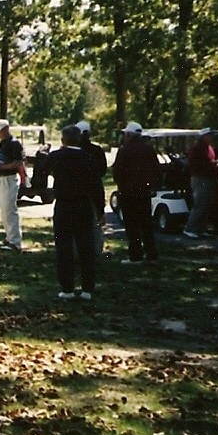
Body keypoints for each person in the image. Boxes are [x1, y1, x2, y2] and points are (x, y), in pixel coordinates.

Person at [48, 124, 100, 300]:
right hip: (84, 206)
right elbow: (97, 186)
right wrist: (99, 210)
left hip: (63, 205)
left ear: (63, 140)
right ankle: (87, 288)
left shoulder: (56, 156)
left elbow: (41, 172)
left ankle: (67, 288)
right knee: (86, 247)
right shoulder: (89, 158)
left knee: (64, 248)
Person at [111, 122, 161, 264]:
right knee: (146, 224)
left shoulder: (124, 150)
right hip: (144, 192)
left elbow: (118, 172)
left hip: (128, 192)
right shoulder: (149, 149)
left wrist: (121, 185)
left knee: (132, 225)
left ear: (129, 135)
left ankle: (136, 255)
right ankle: (152, 254)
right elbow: (156, 170)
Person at [0, 119, 24, 251]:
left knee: (10, 211)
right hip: (2, 178)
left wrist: (0, 167)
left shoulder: (14, 143)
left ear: (5, 129)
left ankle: (15, 242)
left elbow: (18, 163)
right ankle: (9, 238)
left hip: (10, 179)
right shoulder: (3, 143)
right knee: (4, 211)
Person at [76, 120, 109, 256]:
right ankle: (96, 251)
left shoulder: (74, 151)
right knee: (95, 223)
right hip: (94, 190)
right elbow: (103, 170)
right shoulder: (97, 150)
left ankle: (77, 252)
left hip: (78, 191)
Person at [182, 127, 218, 238]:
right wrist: (211, 166)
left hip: (209, 178)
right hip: (200, 178)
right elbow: (194, 164)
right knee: (200, 204)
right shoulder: (197, 148)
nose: (212, 137)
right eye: (210, 135)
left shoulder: (209, 148)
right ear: (204, 136)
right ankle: (190, 228)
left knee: (207, 204)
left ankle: (201, 228)